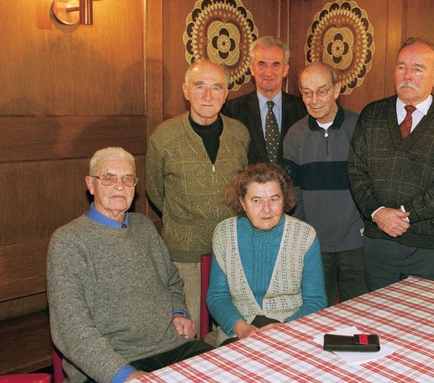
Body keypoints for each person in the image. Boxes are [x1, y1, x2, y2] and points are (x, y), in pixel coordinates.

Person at [47, 147, 213, 383]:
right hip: (112, 364)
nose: (119, 185)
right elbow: (72, 331)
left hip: (172, 347)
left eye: (127, 178)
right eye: (108, 178)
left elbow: (172, 280)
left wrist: (179, 311)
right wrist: (126, 375)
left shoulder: (144, 226)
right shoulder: (68, 241)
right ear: (91, 184)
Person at [348, 38, 434, 291]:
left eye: (417, 69)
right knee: (377, 321)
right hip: (378, 241)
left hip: (429, 247)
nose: (407, 76)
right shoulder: (372, 114)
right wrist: (378, 212)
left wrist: (402, 213)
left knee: (428, 324)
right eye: (401, 67)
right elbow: (356, 172)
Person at [146, 60, 249, 327]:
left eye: (216, 87)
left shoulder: (239, 133)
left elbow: (245, 188)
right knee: (188, 328)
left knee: (231, 326)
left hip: (230, 249)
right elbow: (156, 191)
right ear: (185, 90)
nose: (208, 95)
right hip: (184, 252)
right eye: (199, 86)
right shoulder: (164, 136)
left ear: (226, 94)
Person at [206, 163, 327, 346]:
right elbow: (217, 296)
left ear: (284, 200)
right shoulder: (224, 234)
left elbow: (316, 300)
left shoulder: (304, 236)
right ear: (242, 202)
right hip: (238, 330)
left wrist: (285, 328)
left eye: (274, 199)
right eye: (256, 200)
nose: (267, 209)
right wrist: (240, 327)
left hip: (292, 327)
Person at [283, 62, 368, 305]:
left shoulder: (360, 127)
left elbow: (371, 186)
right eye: (307, 93)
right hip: (313, 246)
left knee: (360, 311)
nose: (314, 100)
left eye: (322, 91)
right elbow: (292, 195)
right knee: (317, 314)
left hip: (356, 243)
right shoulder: (294, 135)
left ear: (337, 89)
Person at [222, 36, 307, 165]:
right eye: (261, 64)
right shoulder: (231, 111)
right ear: (251, 68)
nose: (268, 72)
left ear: (285, 70)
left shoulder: (304, 109)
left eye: (275, 65)